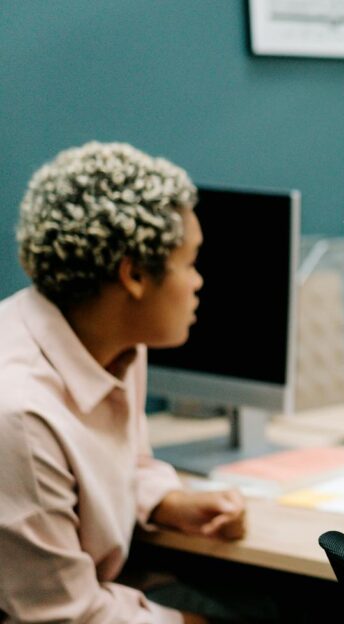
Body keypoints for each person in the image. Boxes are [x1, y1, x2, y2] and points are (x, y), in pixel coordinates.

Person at [0, 142, 246, 623]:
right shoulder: (21, 416)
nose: (199, 282)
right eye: (191, 262)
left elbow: (121, 461)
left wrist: (167, 501)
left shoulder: (111, 344)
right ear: (133, 275)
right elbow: (63, 617)